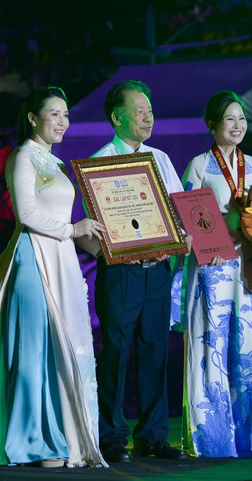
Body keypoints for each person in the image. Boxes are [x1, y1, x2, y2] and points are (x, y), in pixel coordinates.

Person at [0, 87, 106, 468]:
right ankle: (33, 442)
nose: (63, 121)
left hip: (62, 259)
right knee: (33, 351)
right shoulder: (23, 156)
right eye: (54, 114)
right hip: (33, 258)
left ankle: (60, 437)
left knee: (61, 349)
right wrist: (74, 229)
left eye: (66, 114)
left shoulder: (54, 163)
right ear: (33, 118)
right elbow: (26, 215)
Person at [176, 90, 252, 457]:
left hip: (250, 267)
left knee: (251, 348)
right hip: (213, 268)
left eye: (242, 118)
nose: (238, 125)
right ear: (212, 124)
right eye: (230, 119)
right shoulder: (198, 165)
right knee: (212, 345)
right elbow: (186, 220)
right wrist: (226, 225)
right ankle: (213, 441)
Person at [91, 80, 188, 462]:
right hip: (120, 271)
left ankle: (152, 435)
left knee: (154, 351)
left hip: (157, 270)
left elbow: (178, 209)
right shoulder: (100, 161)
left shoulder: (160, 159)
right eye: (139, 111)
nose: (148, 117)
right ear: (117, 117)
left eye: (150, 110)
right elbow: (99, 221)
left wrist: (185, 235)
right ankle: (110, 435)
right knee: (115, 351)